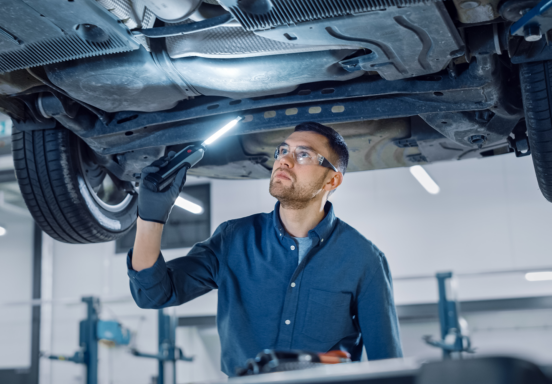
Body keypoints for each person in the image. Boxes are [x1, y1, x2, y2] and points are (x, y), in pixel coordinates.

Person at [127, 121, 403, 376]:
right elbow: (154, 294)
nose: (284, 159)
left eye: (303, 154)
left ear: (332, 180)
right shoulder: (233, 239)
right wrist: (151, 217)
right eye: (283, 150)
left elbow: (388, 364)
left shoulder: (363, 259)